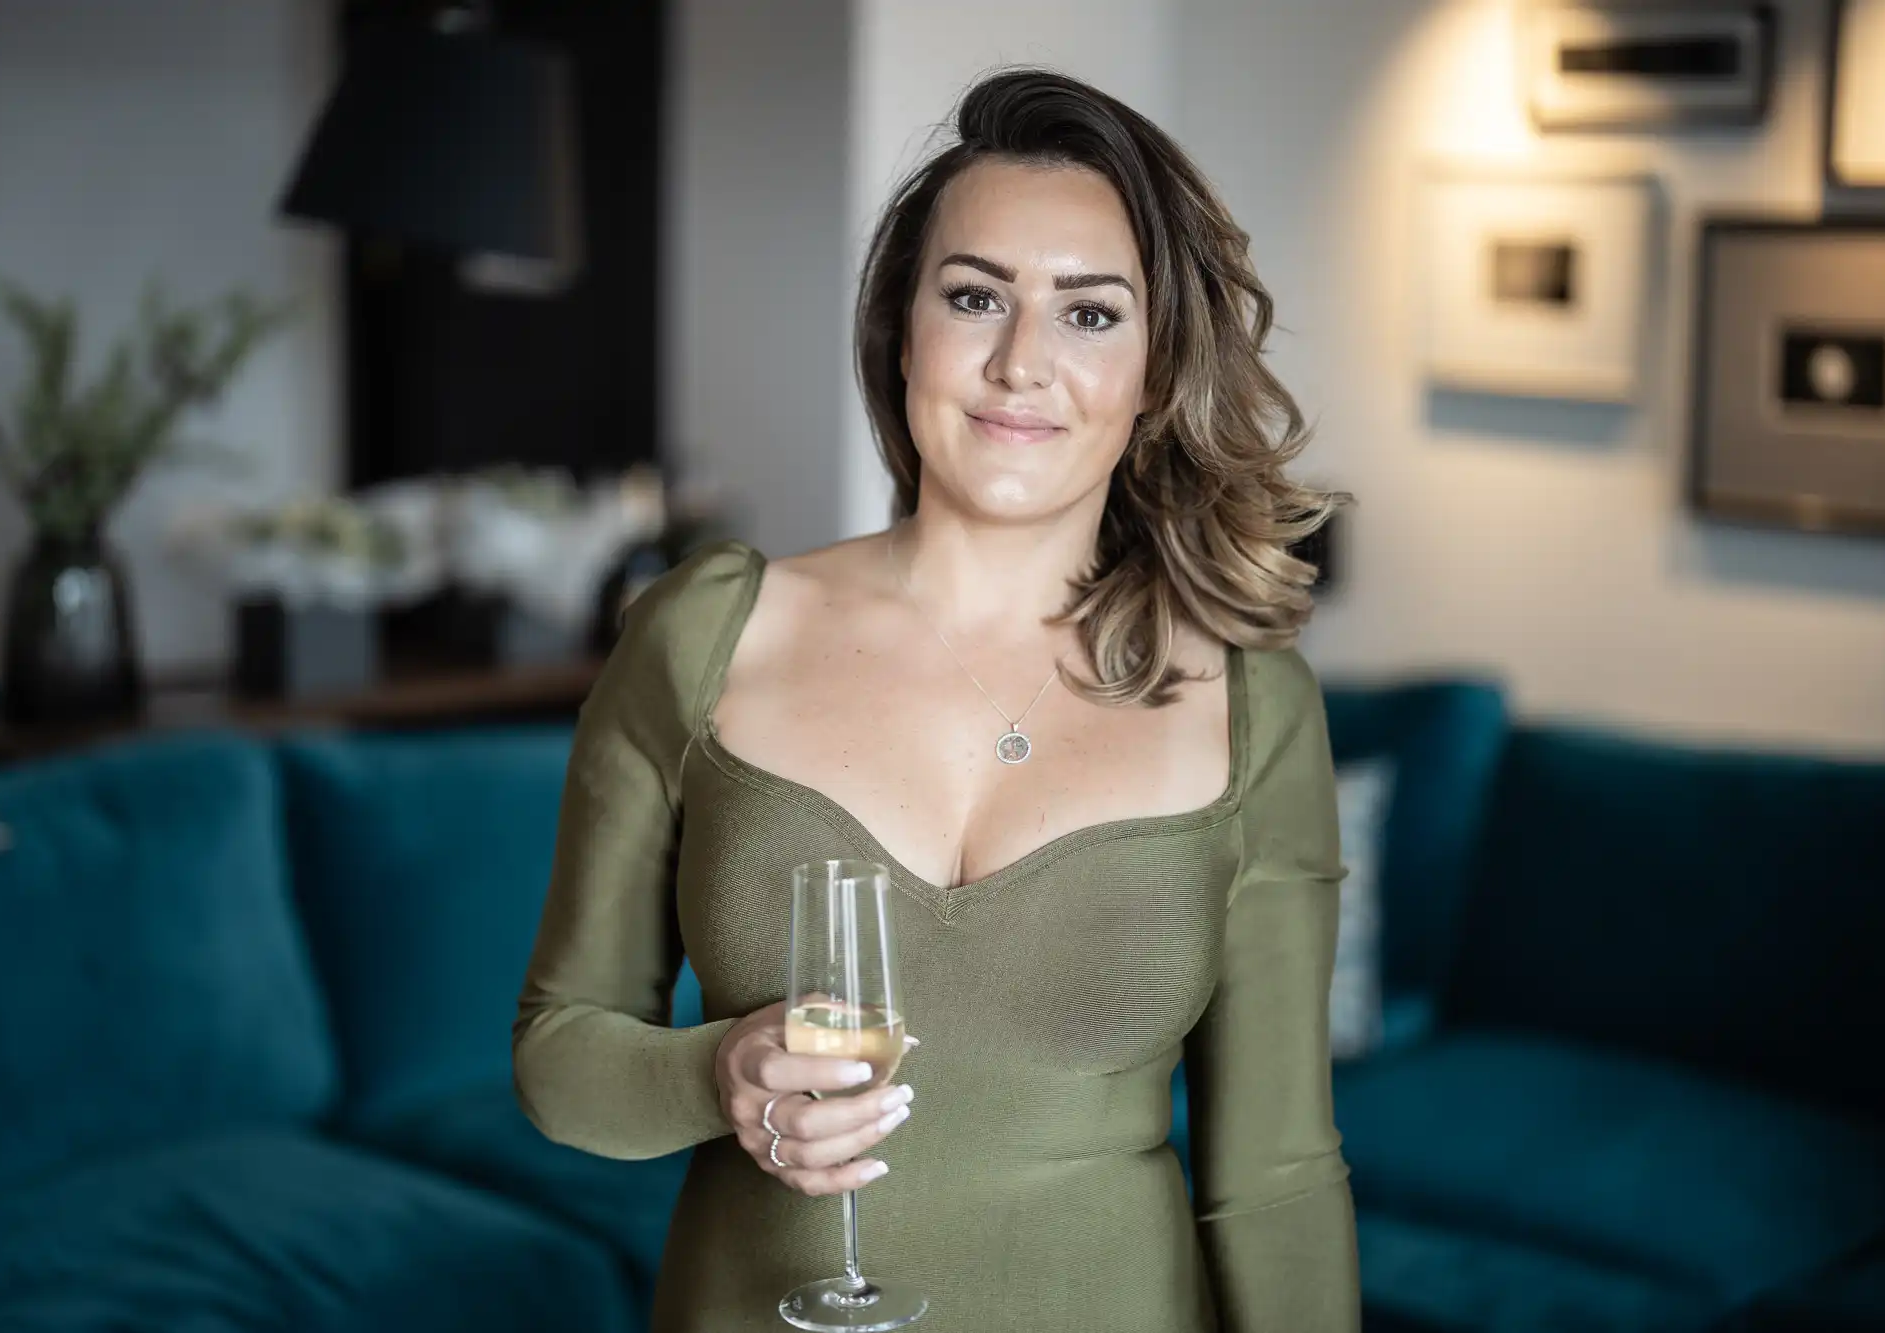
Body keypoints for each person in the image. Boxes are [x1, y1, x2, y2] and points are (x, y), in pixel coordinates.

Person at [513, 66, 1358, 1333]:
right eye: (975, 298)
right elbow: (561, 1054)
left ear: (1153, 367)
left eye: (1088, 314)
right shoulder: (707, 634)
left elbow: (1275, 1173)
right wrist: (718, 1072)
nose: (1021, 363)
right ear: (900, 332)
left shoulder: (1248, 699)